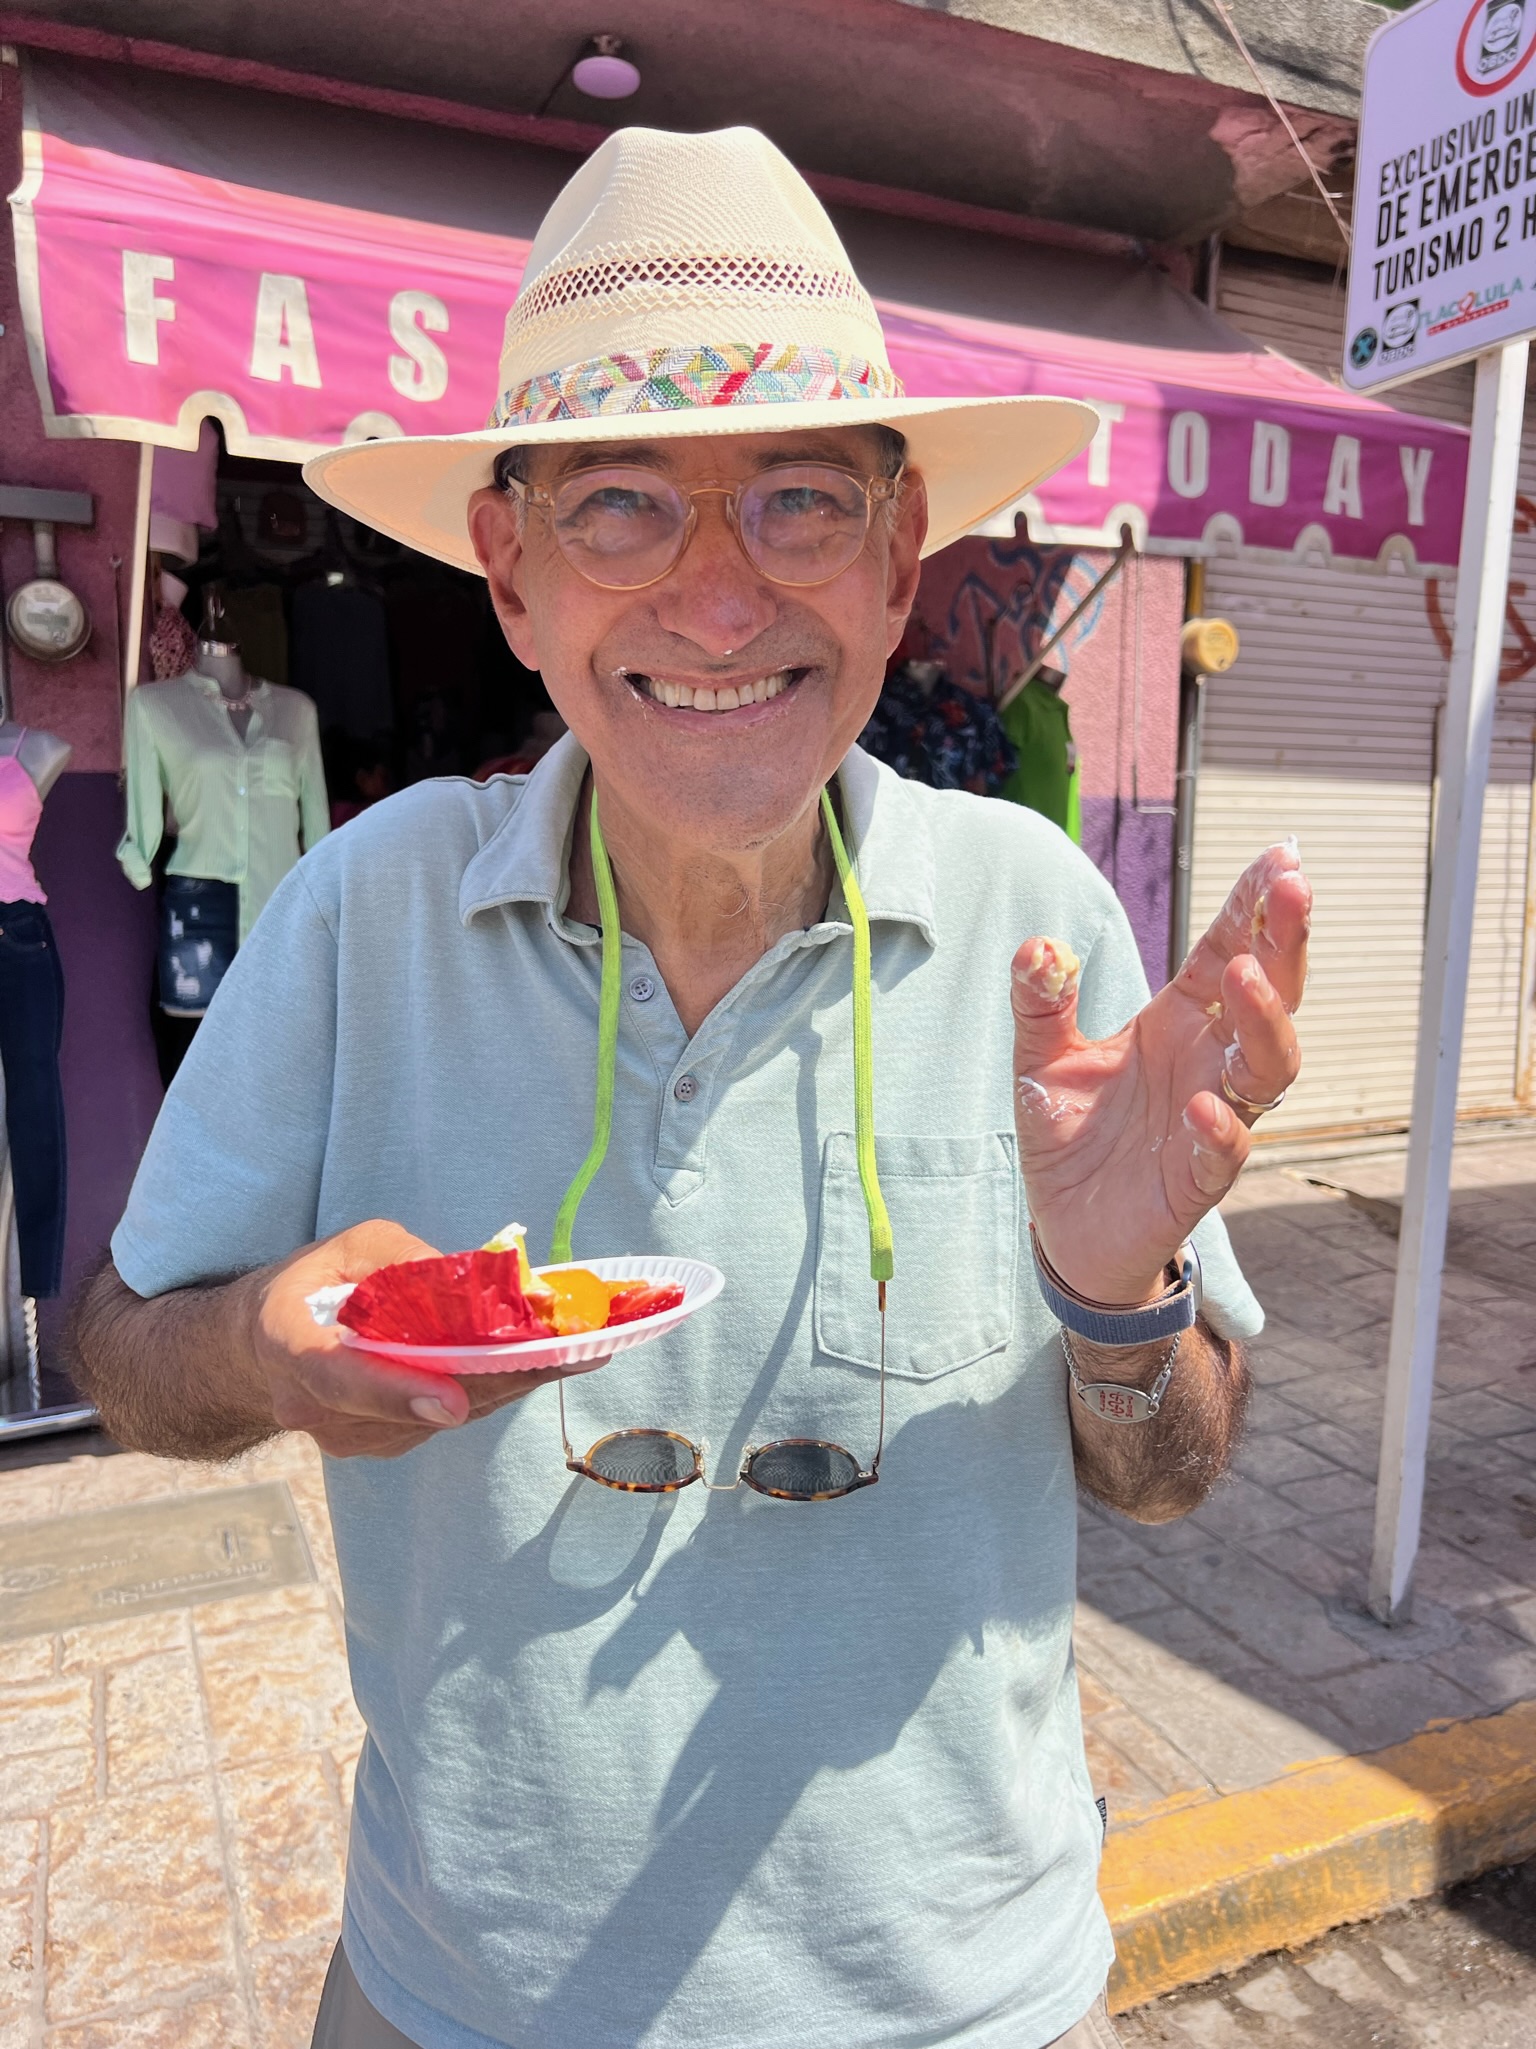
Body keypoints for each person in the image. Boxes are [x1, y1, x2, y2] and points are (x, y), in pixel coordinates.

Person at [72, 127, 1307, 2049]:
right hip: (461, 1999)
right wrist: (260, 1347)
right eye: (621, 507)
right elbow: (123, 1348)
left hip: (966, 2008)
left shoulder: (1037, 922)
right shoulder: (359, 916)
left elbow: (1170, 1475)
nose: (719, 603)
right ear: (509, 574)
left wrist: (1116, 1297)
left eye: (802, 500)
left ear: (898, 562)